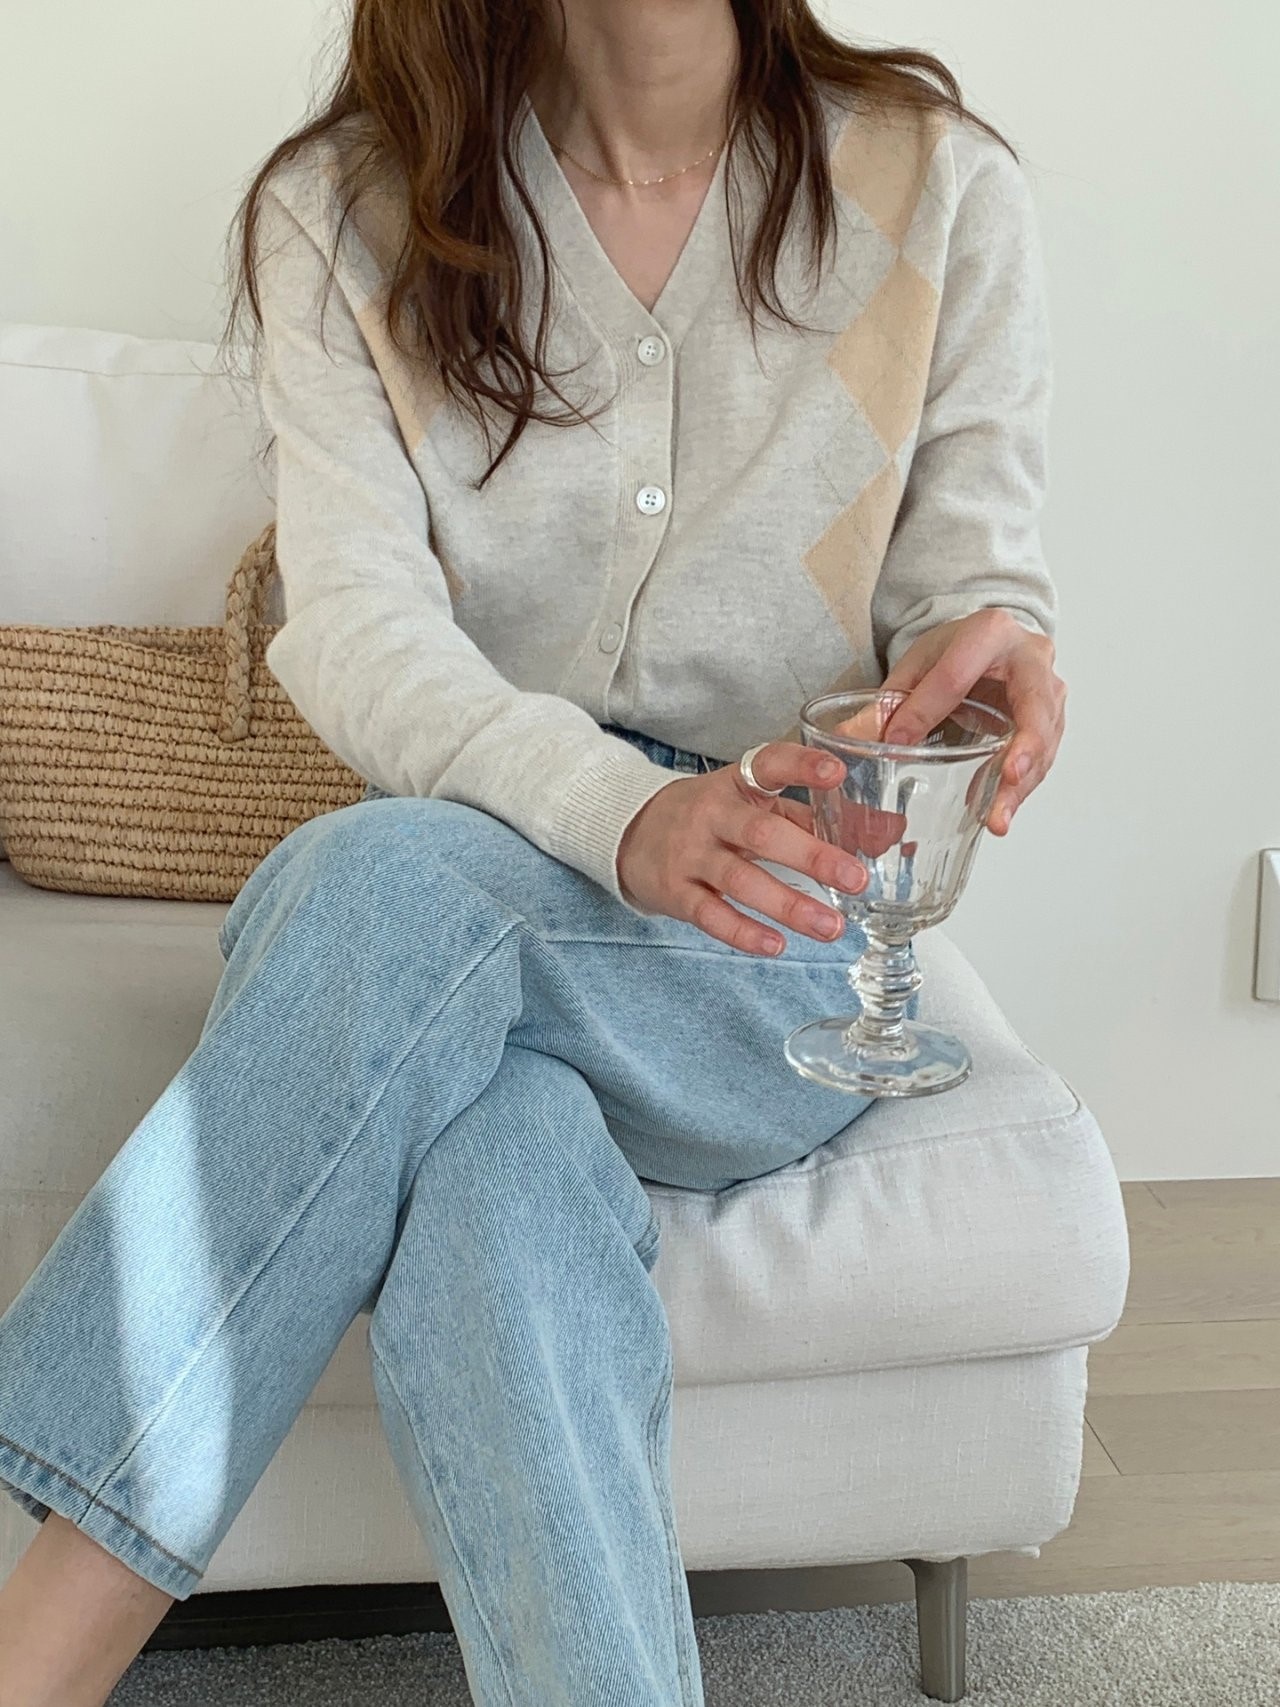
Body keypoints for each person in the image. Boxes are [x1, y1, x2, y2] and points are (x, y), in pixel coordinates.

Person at [0, 1, 1067, 1702]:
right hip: (450, 890)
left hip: (765, 946)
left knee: (368, 889)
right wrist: (614, 813)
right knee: (496, 1167)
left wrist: (982, 661)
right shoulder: (343, 213)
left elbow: (967, 587)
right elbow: (358, 631)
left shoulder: (941, 192)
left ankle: (38, 1653)